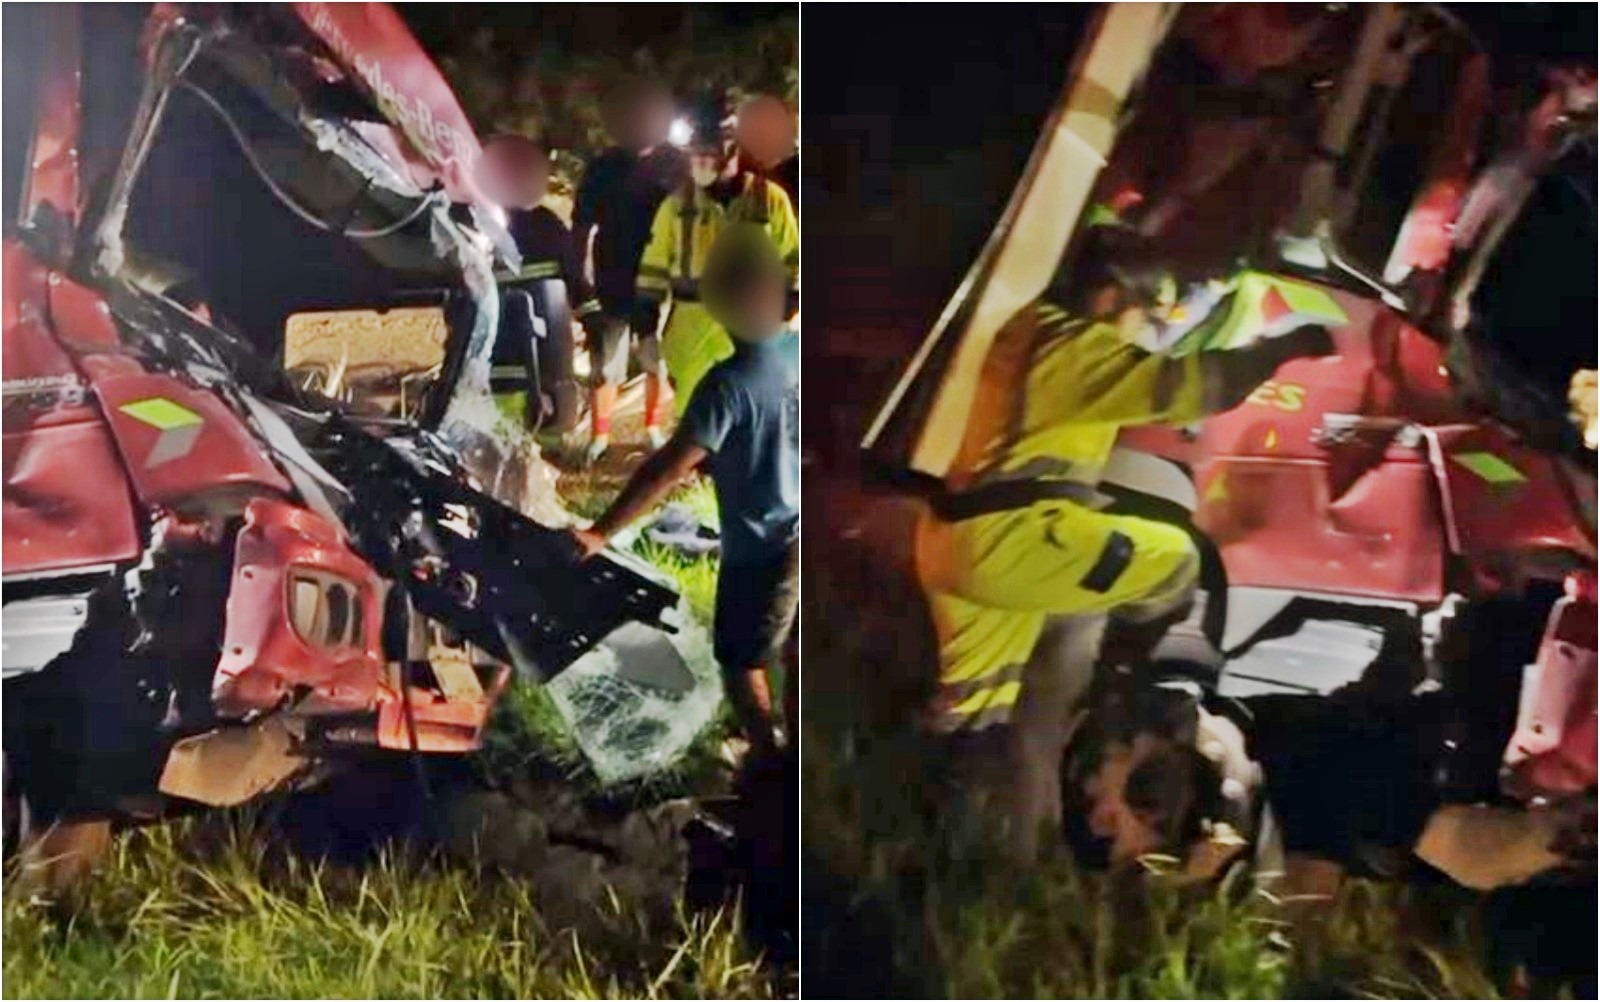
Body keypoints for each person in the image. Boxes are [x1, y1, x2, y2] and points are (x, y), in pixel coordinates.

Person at [914, 231, 1345, 860]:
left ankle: (944, 828)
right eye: (1147, 311)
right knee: (1175, 559)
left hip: (956, 538)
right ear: (1110, 293)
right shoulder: (1074, 348)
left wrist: (1205, 300)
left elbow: (1148, 359)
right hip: (1013, 539)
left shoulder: (1035, 332)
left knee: (979, 708)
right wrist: (1284, 348)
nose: (1148, 325)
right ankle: (1129, 672)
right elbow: (1184, 386)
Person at [570, 225, 798, 760]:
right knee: (786, 644)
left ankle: (768, 758)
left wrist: (600, 533)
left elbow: (666, 470)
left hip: (761, 547)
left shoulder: (729, 385)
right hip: (799, 534)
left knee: (741, 660)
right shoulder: (795, 352)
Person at [634, 99, 799, 422]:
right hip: (690, 330)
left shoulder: (768, 200)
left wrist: (786, 311)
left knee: (752, 416)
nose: (702, 165)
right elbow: (651, 272)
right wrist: (646, 331)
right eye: (696, 157)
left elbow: (794, 262)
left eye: (709, 156)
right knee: (697, 420)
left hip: (753, 325)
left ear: (733, 153)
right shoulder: (676, 204)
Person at [572, 78, 685, 462]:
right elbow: (581, 225)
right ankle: (599, 437)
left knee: (659, 361)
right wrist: (579, 277)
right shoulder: (602, 168)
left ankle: (653, 431)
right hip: (611, 280)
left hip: (662, 283)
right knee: (605, 366)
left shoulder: (678, 165)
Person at [480, 134, 603, 436]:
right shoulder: (546, 226)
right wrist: (596, 327)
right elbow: (576, 284)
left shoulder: (476, 225)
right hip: (541, 368)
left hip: (489, 365)